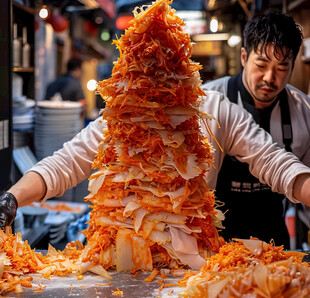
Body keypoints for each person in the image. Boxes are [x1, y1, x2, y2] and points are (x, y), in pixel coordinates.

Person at [0, 90, 310, 235]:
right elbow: (65, 164)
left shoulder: (215, 110)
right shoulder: (121, 113)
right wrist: (12, 199)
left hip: (193, 257)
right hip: (123, 252)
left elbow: (273, 161)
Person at [202, 10, 310, 248]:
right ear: (244, 57)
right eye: (261, 64)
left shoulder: (303, 111)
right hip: (213, 243)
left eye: (282, 68)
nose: (270, 78)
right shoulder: (209, 103)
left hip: (273, 241)